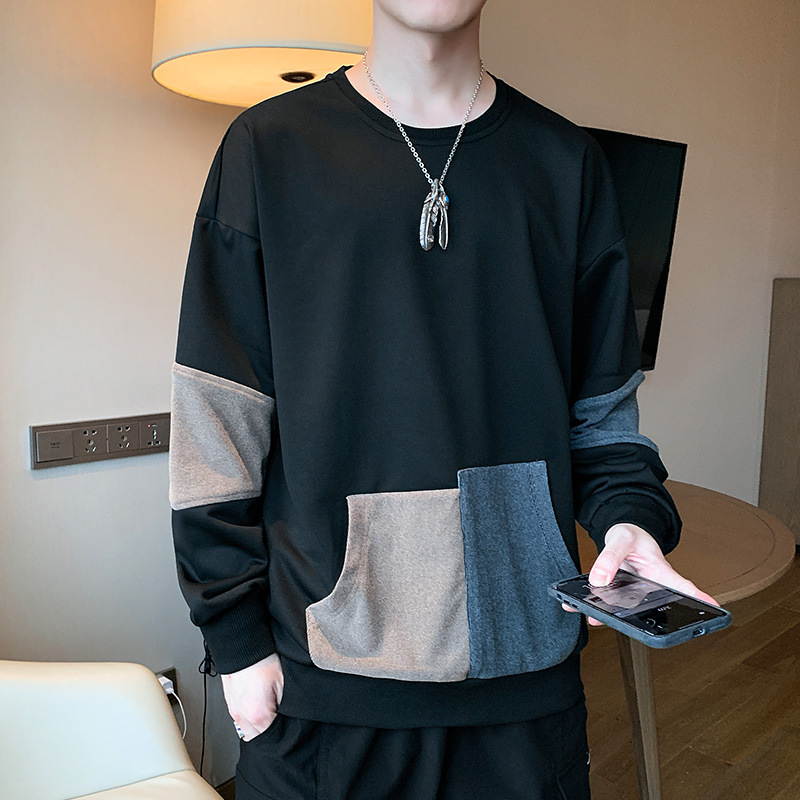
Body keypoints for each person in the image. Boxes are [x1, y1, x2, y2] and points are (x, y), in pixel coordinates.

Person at [168, 1, 717, 797]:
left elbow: (601, 417)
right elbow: (217, 418)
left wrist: (628, 520)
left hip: (524, 684)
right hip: (323, 684)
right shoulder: (268, 148)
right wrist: (236, 637)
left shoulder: (567, 163)